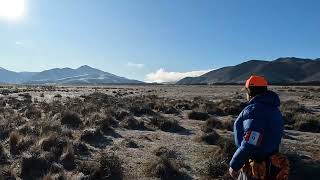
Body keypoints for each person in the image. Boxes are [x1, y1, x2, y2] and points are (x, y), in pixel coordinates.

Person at [228, 75, 289, 180]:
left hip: (257, 166)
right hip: (271, 162)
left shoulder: (255, 110)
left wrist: (235, 165)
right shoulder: (272, 107)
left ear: (250, 91)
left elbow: (250, 141)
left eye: (246, 90)